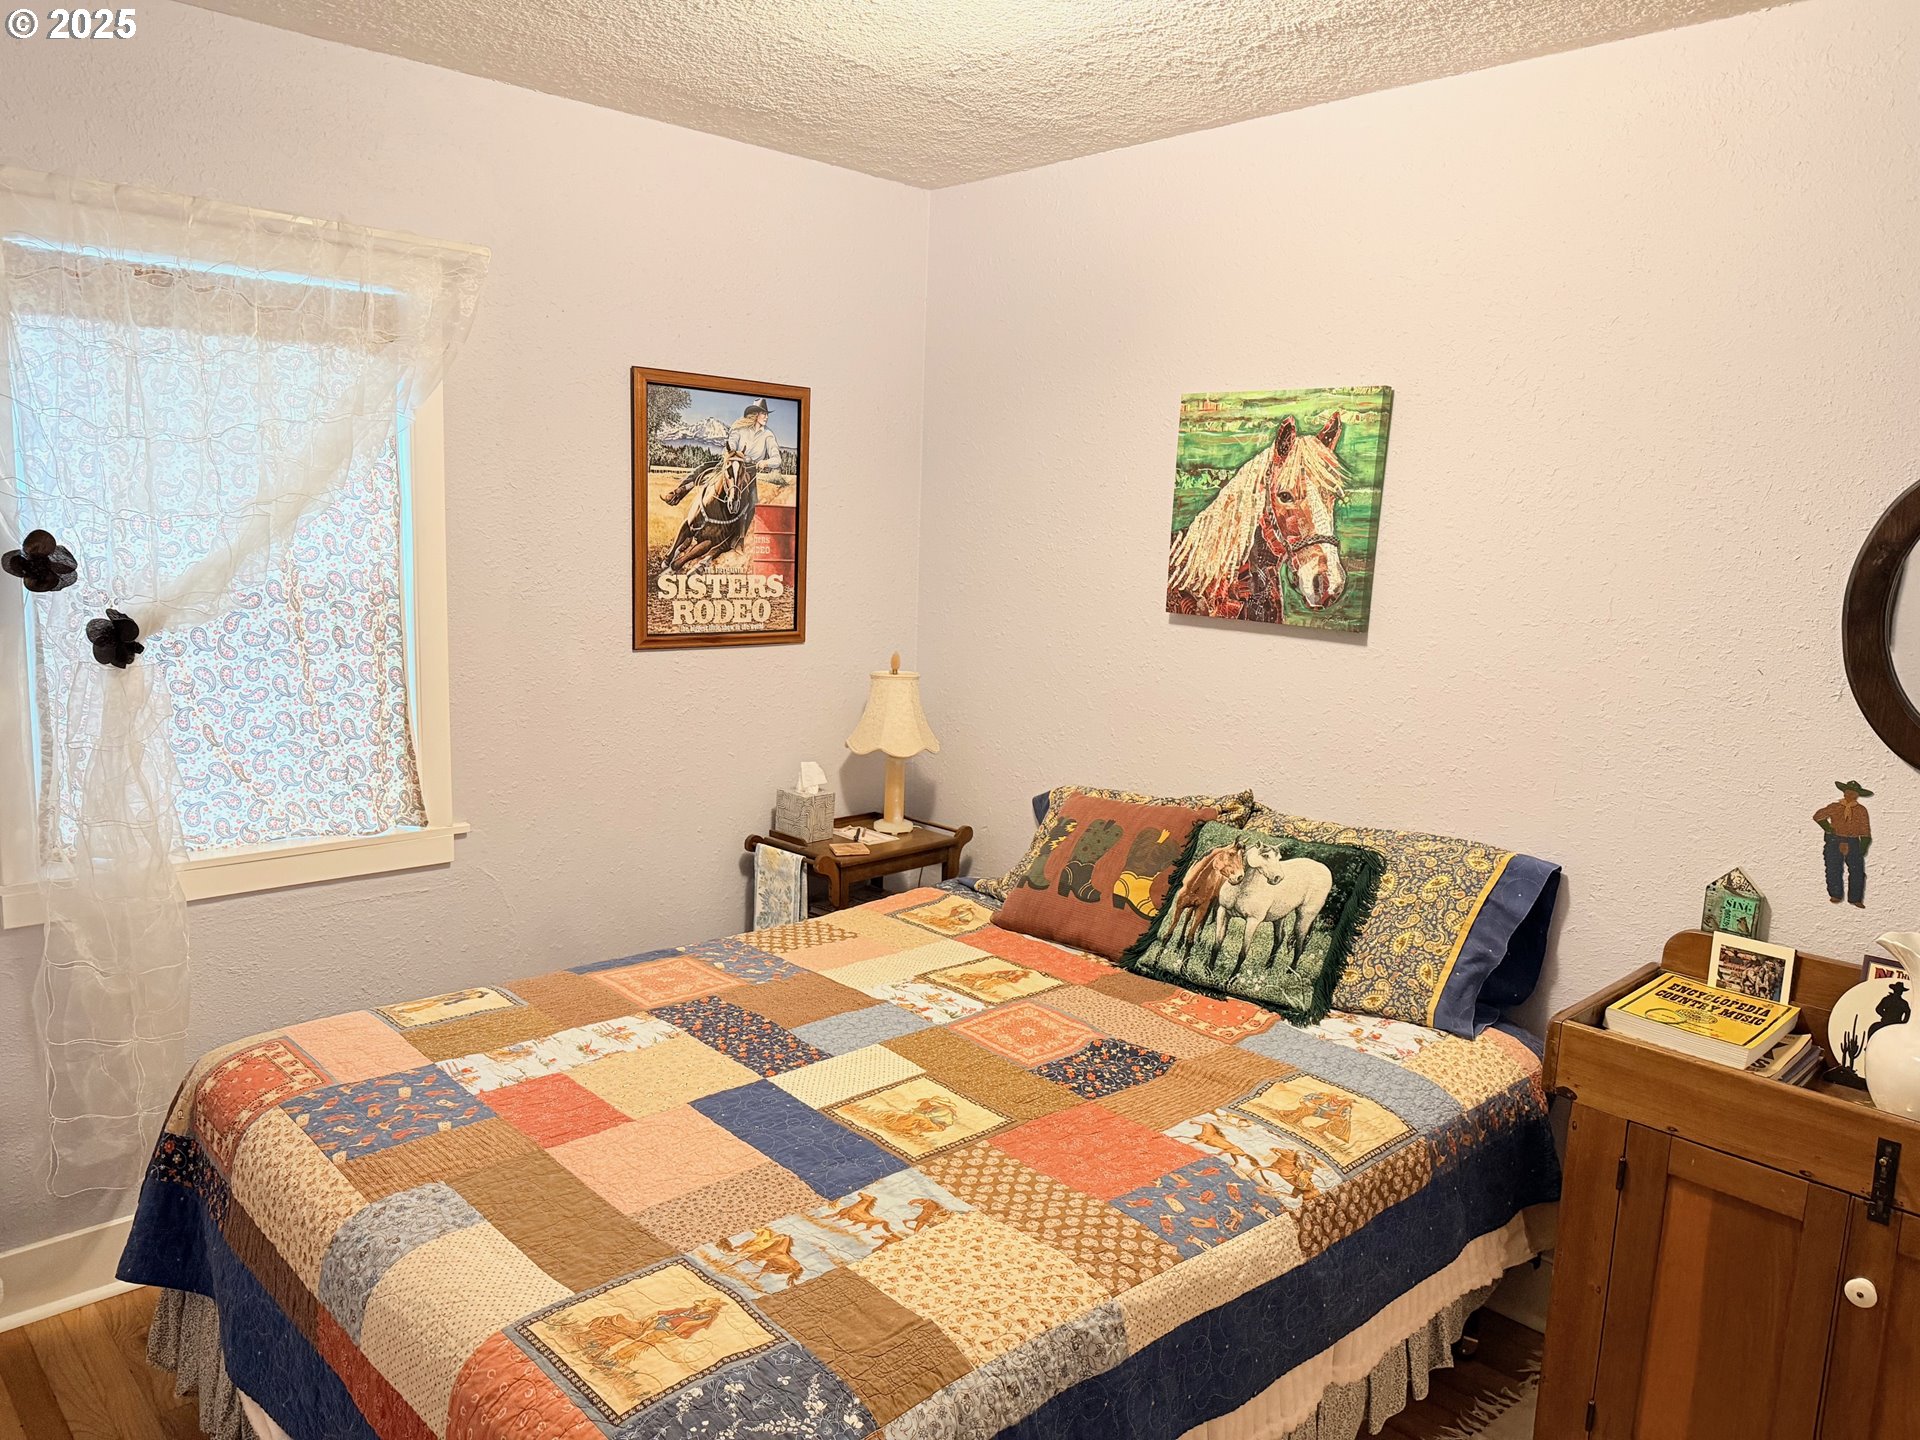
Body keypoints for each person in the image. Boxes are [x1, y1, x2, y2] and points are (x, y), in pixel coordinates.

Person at [1814, 780, 1873, 907]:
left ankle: (1855, 898)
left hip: (1853, 841)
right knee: (1833, 868)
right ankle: (1835, 894)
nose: (1850, 795)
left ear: (1857, 795)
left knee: (1857, 870)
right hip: (1835, 840)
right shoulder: (1835, 807)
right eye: (1848, 792)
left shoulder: (1861, 810)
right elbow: (1818, 815)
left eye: (1854, 793)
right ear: (1844, 792)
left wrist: (1863, 846)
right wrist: (1829, 828)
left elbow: (1865, 828)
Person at [726, 399, 786, 483]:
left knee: (753, 496)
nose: (767, 417)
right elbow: (731, 445)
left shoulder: (768, 434)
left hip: (750, 475)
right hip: (732, 469)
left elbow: (777, 459)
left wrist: (766, 462)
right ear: (755, 414)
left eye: (767, 414)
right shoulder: (739, 429)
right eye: (764, 414)